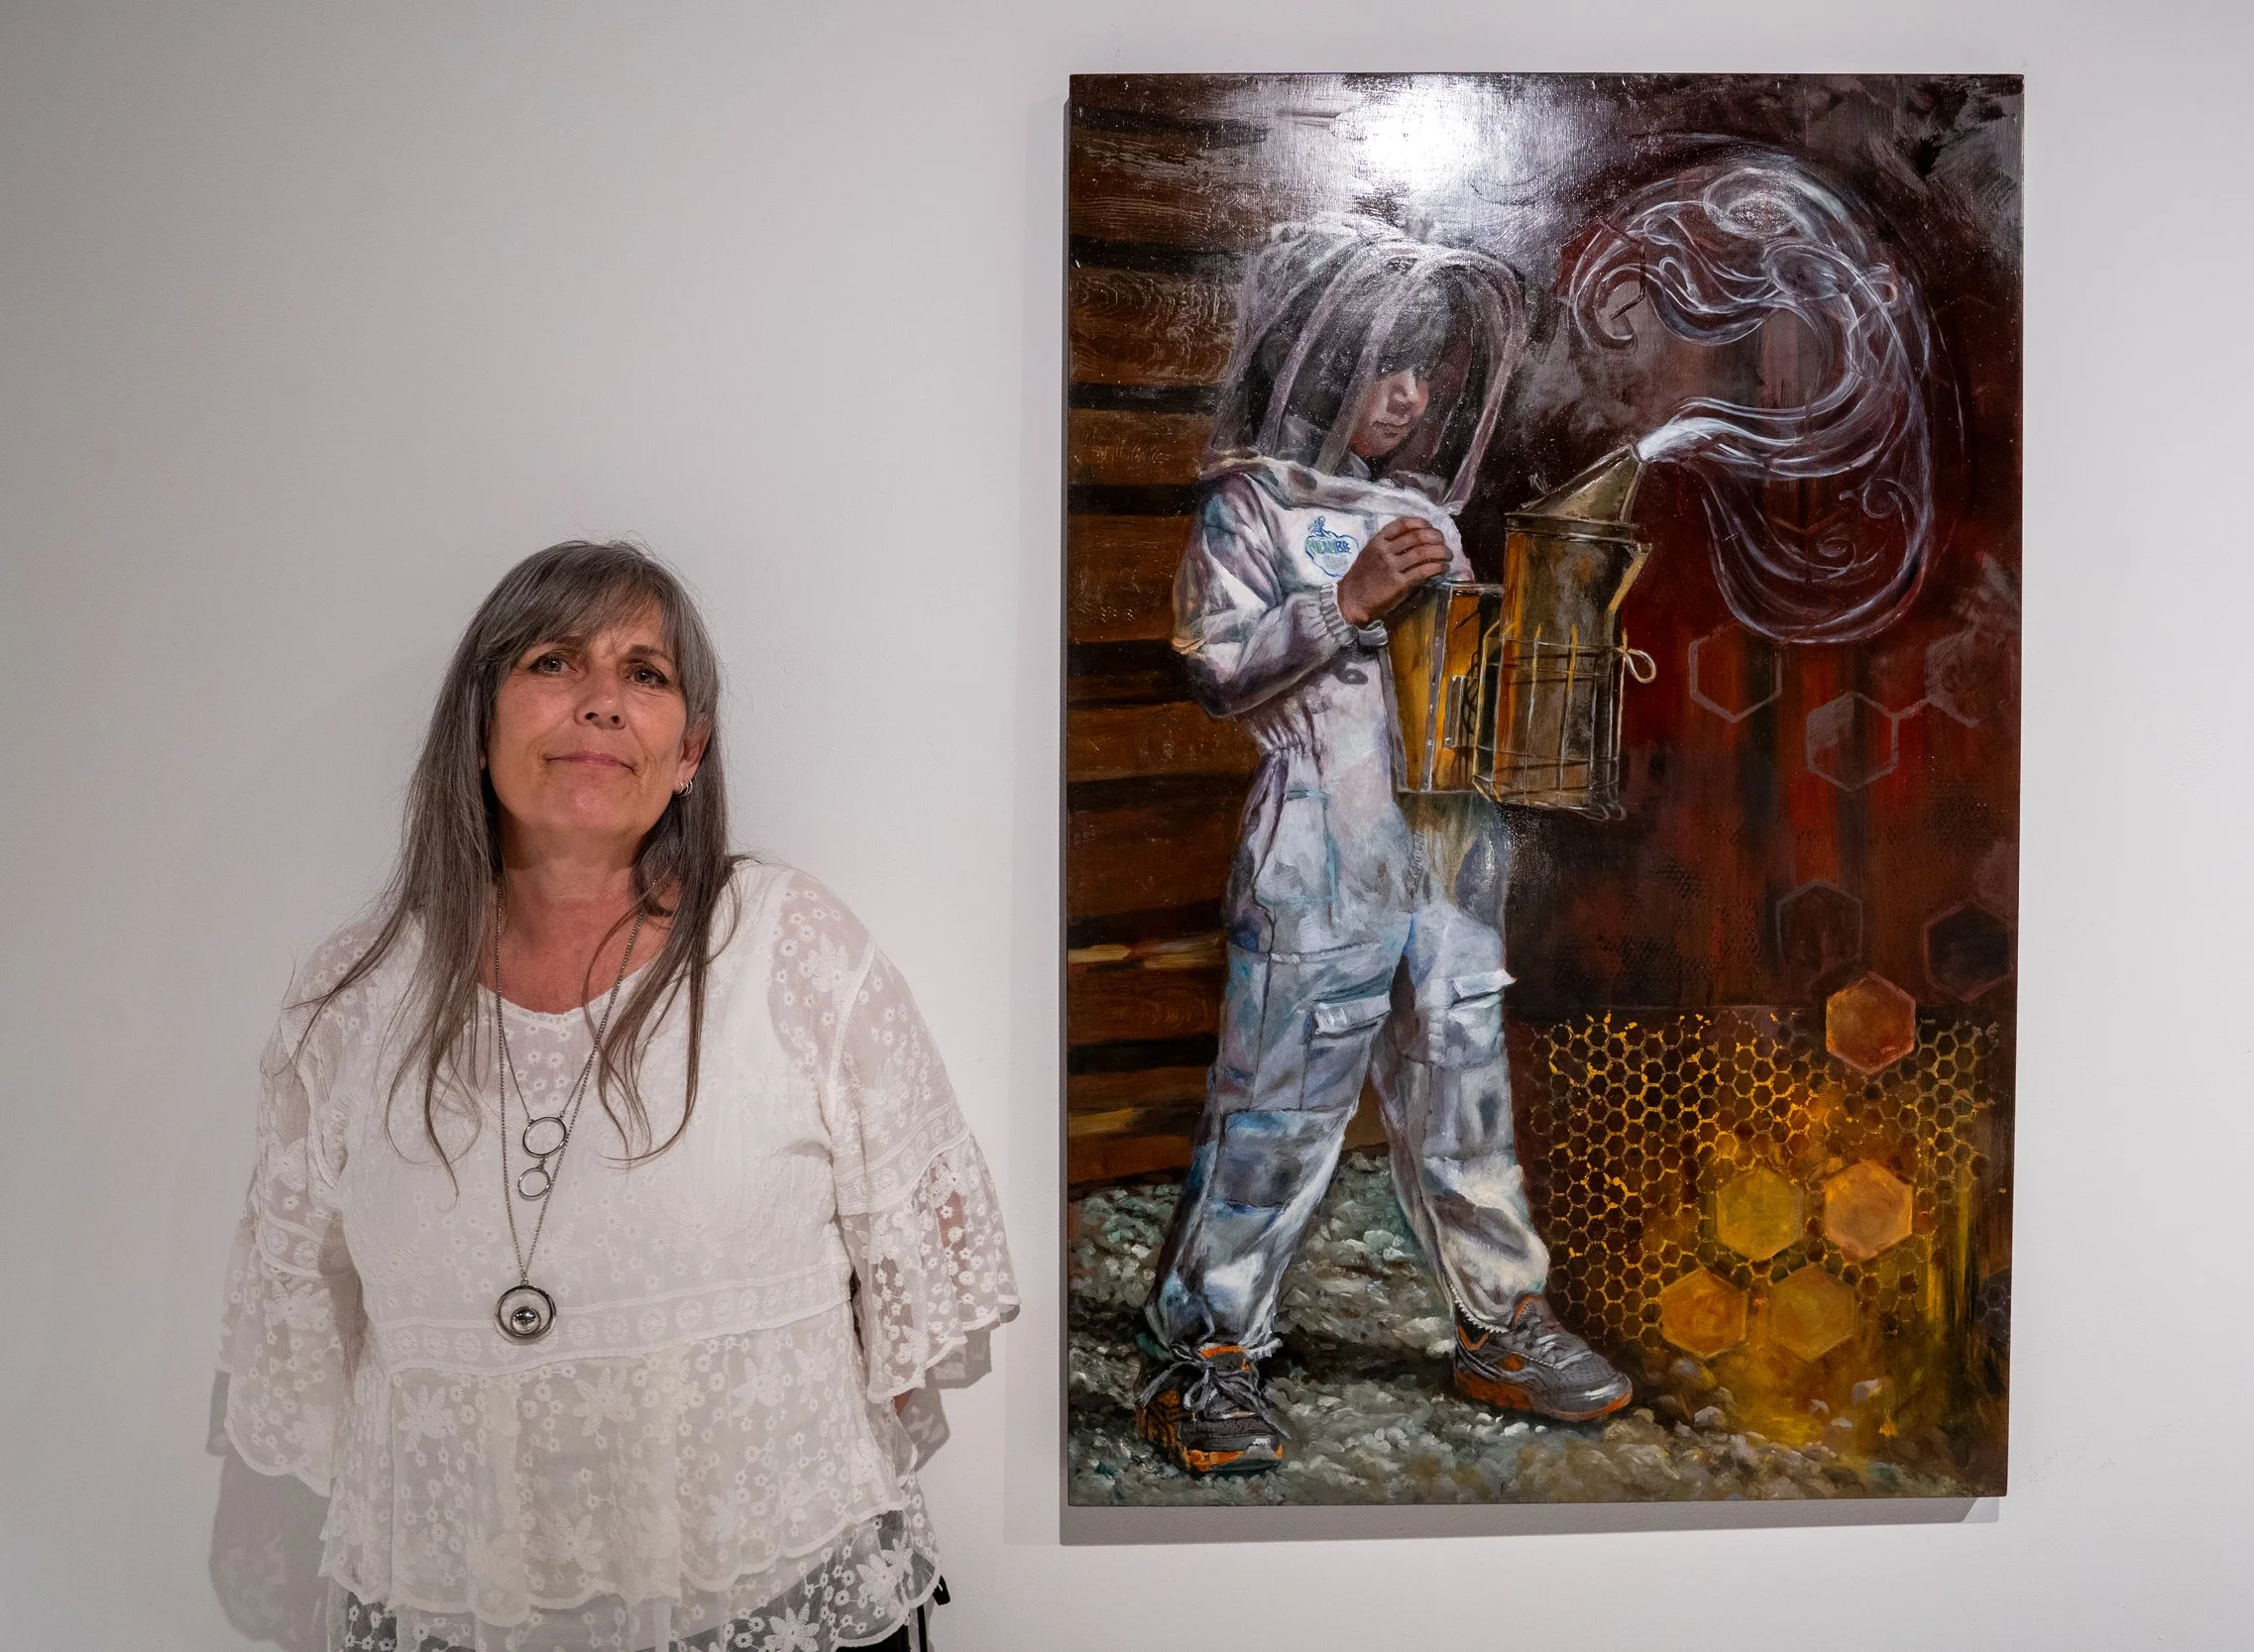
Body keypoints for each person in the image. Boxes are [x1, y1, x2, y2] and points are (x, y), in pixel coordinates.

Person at [217, 542, 1016, 1651]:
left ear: (689, 751)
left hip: (777, 1601)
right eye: (553, 661)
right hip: (465, 1612)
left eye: (645, 673)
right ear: (479, 725)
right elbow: (309, 1332)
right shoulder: (353, 1000)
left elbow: (919, 1293)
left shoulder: (791, 951)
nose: (600, 700)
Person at [1137, 217, 1633, 1476]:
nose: (1408, 394)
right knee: (1282, 1101)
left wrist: (1536, 665)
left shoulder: (1423, 516)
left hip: (1449, 853)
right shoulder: (1251, 506)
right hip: (1319, 852)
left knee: (1463, 1088)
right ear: (1312, 363)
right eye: (1382, 364)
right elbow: (1214, 664)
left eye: (1423, 370)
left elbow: (1456, 678)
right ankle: (1210, 1349)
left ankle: (1501, 1318)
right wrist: (1344, 601)